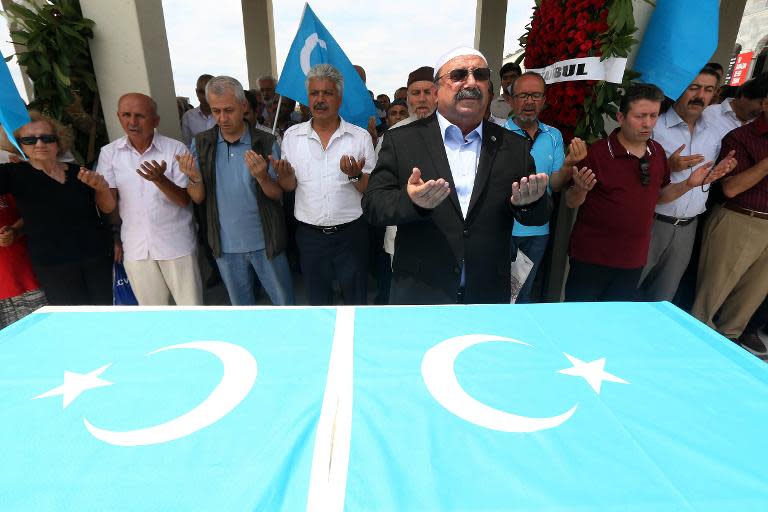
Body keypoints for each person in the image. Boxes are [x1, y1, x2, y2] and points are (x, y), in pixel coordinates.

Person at [363, 47, 551, 304]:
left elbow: (540, 214)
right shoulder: (401, 140)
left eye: (480, 75)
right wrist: (412, 202)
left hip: (487, 294)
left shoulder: (513, 147)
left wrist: (529, 204)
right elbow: (373, 205)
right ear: (437, 90)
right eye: (459, 75)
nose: (471, 82)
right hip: (422, 292)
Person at [565, 84, 735, 302]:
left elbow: (659, 196)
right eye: (640, 116)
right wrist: (580, 189)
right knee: (578, 318)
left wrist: (689, 184)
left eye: (653, 116)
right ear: (621, 117)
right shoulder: (598, 153)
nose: (647, 123)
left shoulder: (656, 152)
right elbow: (571, 201)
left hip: (633, 258)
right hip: (592, 256)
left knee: (617, 320)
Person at [181, 76, 294, 306]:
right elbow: (198, 197)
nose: (222, 118)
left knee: (284, 305)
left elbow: (277, 195)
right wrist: (193, 178)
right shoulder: (202, 144)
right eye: (216, 111)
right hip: (225, 246)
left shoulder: (265, 141)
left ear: (243, 106)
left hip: (266, 243)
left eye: (228, 110)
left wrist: (262, 177)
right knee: (241, 310)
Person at [279, 64, 376, 305]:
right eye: (314, 94)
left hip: (351, 234)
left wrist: (354, 175)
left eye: (327, 93)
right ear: (307, 99)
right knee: (317, 301)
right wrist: (282, 177)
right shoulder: (292, 136)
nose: (320, 99)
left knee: (355, 299)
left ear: (339, 99)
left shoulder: (360, 137)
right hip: (310, 236)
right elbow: (289, 187)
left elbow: (369, 189)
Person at [97, 93, 202, 306]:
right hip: (136, 247)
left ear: (155, 121)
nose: (132, 122)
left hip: (175, 244)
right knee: (153, 314)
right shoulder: (109, 153)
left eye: (139, 116)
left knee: (191, 309)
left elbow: (185, 200)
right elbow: (109, 207)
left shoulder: (175, 149)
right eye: (126, 115)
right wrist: (100, 188)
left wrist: (160, 180)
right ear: (118, 117)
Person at [0, 112, 114, 305]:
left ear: (58, 142)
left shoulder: (78, 172)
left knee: (106, 315)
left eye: (47, 138)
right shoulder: (13, 174)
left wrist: (102, 189)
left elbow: (108, 208)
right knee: (73, 323)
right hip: (54, 266)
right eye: (29, 140)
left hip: (96, 257)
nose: (39, 144)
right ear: (19, 145)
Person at [637, 68, 728, 302]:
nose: (700, 95)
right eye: (694, 87)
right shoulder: (654, 127)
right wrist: (668, 166)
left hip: (688, 227)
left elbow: (703, 177)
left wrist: (718, 173)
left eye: (708, 90)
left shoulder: (713, 133)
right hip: (652, 222)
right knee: (628, 288)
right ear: (679, 88)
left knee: (663, 297)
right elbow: (634, 174)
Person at [692, 101, 768, 353]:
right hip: (740, 220)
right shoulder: (741, 137)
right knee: (708, 302)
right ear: (765, 103)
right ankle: (690, 352)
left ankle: (725, 358)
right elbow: (731, 188)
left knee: (747, 304)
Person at [504, 71, 587, 303]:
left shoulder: (554, 136)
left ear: (544, 100)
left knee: (522, 294)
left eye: (535, 95)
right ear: (511, 100)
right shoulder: (498, 133)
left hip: (537, 231)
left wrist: (569, 164)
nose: (529, 101)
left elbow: (556, 184)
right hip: (502, 229)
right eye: (523, 95)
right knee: (496, 293)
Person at [181, 74, 215, 147]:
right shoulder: (188, 116)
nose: (205, 96)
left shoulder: (223, 115)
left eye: (208, 91)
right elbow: (187, 144)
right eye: (201, 92)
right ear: (196, 92)